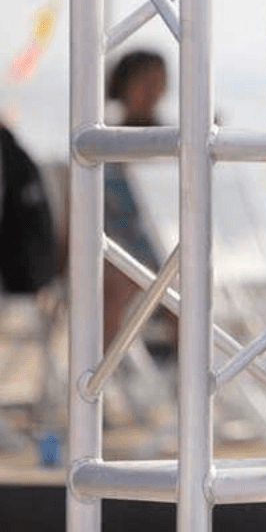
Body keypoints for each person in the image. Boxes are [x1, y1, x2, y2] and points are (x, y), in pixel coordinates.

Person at [102, 48, 170, 350]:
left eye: (158, 82)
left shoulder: (178, 139)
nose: (153, 91)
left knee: (188, 278)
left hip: (164, 245)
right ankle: (105, 366)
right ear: (124, 84)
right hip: (117, 248)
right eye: (145, 82)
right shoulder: (102, 140)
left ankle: (184, 365)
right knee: (117, 280)